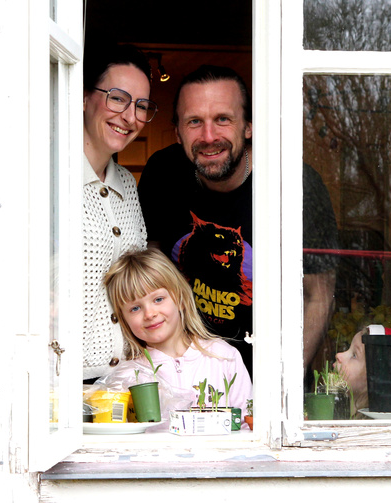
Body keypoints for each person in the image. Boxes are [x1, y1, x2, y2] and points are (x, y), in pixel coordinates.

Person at [137, 64, 338, 378]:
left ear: (249, 126)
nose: (208, 136)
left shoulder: (296, 186)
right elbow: (147, 276)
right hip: (178, 372)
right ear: (177, 131)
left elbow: (318, 296)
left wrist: (280, 386)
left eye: (222, 119)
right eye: (194, 122)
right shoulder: (163, 173)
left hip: (266, 376)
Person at [82, 43, 157, 380]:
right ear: (83, 98)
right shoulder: (46, 176)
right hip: (61, 381)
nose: (130, 117)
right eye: (117, 97)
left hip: (124, 381)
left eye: (141, 106)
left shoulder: (126, 183)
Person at [104, 249, 253, 411]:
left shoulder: (224, 357)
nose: (149, 314)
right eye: (135, 308)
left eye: (158, 299)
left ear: (180, 299)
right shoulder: (128, 376)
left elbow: (247, 422)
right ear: (124, 321)